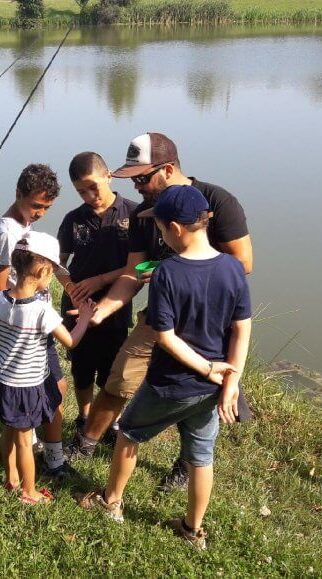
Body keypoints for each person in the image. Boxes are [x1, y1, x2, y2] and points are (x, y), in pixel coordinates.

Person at [65, 133, 253, 494]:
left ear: (168, 170)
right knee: (120, 377)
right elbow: (132, 274)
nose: (136, 187)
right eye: (131, 180)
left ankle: (186, 464)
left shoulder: (218, 201)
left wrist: (183, 268)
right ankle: (86, 443)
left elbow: (243, 263)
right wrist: (101, 310)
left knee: (201, 392)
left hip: (210, 317)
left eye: (142, 178)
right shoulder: (143, 215)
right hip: (162, 314)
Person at [77, 185, 252, 549]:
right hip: (212, 389)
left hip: (170, 383)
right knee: (201, 457)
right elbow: (241, 328)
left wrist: (207, 369)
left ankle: (111, 503)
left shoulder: (167, 273)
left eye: (158, 229)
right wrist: (230, 378)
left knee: (129, 434)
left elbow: (166, 338)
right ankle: (192, 529)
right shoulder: (233, 268)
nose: (159, 236)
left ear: (174, 228)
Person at [0, 232, 95, 504]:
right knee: (25, 441)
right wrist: (84, 318)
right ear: (43, 270)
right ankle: (29, 491)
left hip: (0, 380)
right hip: (26, 387)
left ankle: (10, 478)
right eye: (52, 273)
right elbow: (70, 341)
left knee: (8, 431)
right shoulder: (41, 311)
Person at [0, 163, 74, 480]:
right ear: (18, 194)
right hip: (28, 328)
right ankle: (51, 461)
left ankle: (42, 449)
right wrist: (0, 328)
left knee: (54, 389)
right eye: (35, 205)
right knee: (54, 389)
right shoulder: (7, 233)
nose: (39, 213)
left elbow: (48, 263)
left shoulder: (26, 229)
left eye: (46, 208)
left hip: (36, 324)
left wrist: (71, 287)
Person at [55, 152, 138, 436]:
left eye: (94, 187)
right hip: (77, 307)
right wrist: (73, 289)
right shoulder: (73, 220)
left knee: (112, 370)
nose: (90, 196)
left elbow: (146, 264)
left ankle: (106, 422)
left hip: (115, 306)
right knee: (81, 366)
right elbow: (57, 263)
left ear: (108, 176)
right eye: (81, 191)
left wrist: (102, 279)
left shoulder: (135, 214)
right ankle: (84, 416)